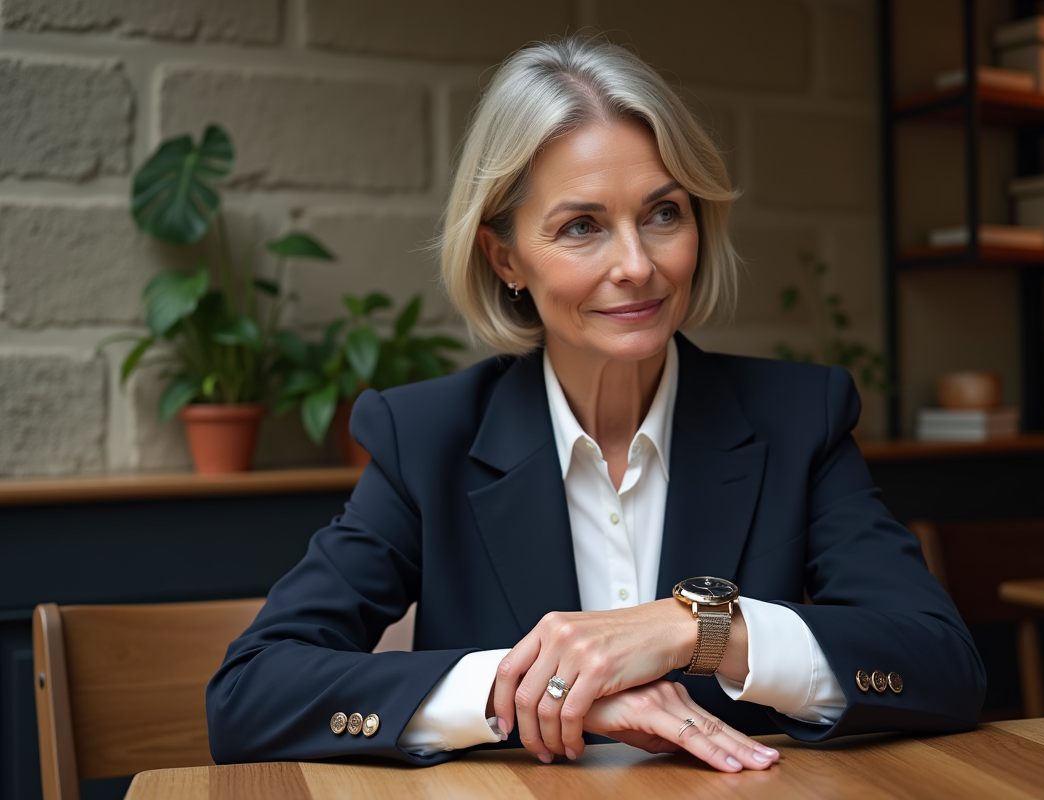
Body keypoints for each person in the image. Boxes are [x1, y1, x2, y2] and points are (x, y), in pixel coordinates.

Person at [207, 36, 986, 773]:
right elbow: (249, 694)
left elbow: (943, 664)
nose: (638, 265)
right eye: (582, 226)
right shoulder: (427, 437)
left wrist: (695, 630)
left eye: (663, 213)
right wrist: (531, 690)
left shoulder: (797, 418)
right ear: (504, 255)